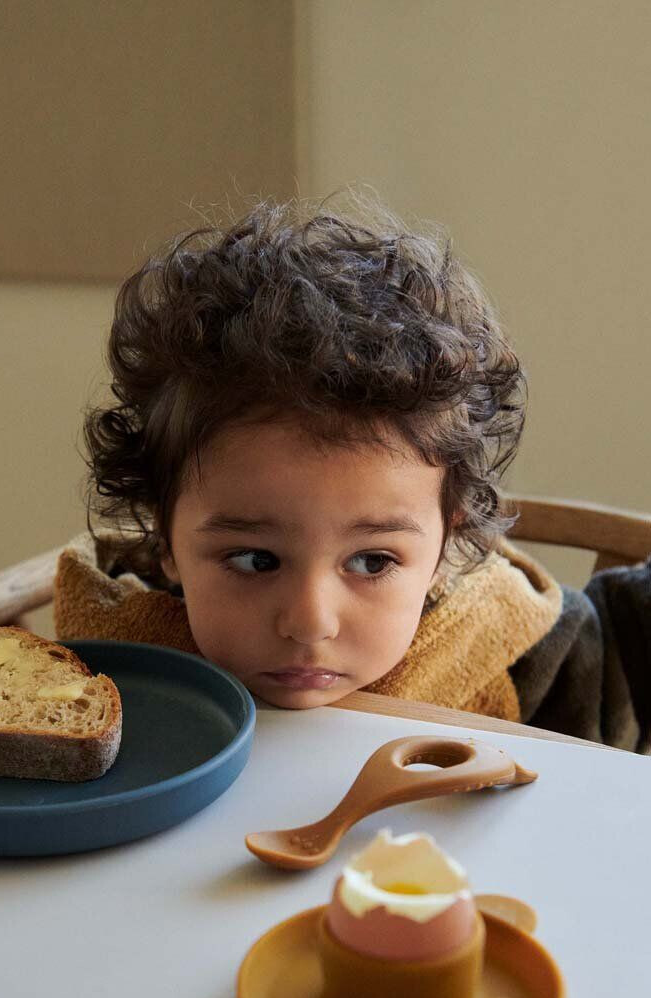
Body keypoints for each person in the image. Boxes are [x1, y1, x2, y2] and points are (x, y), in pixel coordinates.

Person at [53, 198, 651, 752]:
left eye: (373, 562)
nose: (311, 622)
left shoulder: (519, 647)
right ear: (166, 540)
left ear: (447, 543)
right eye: (256, 560)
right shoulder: (103, 677)